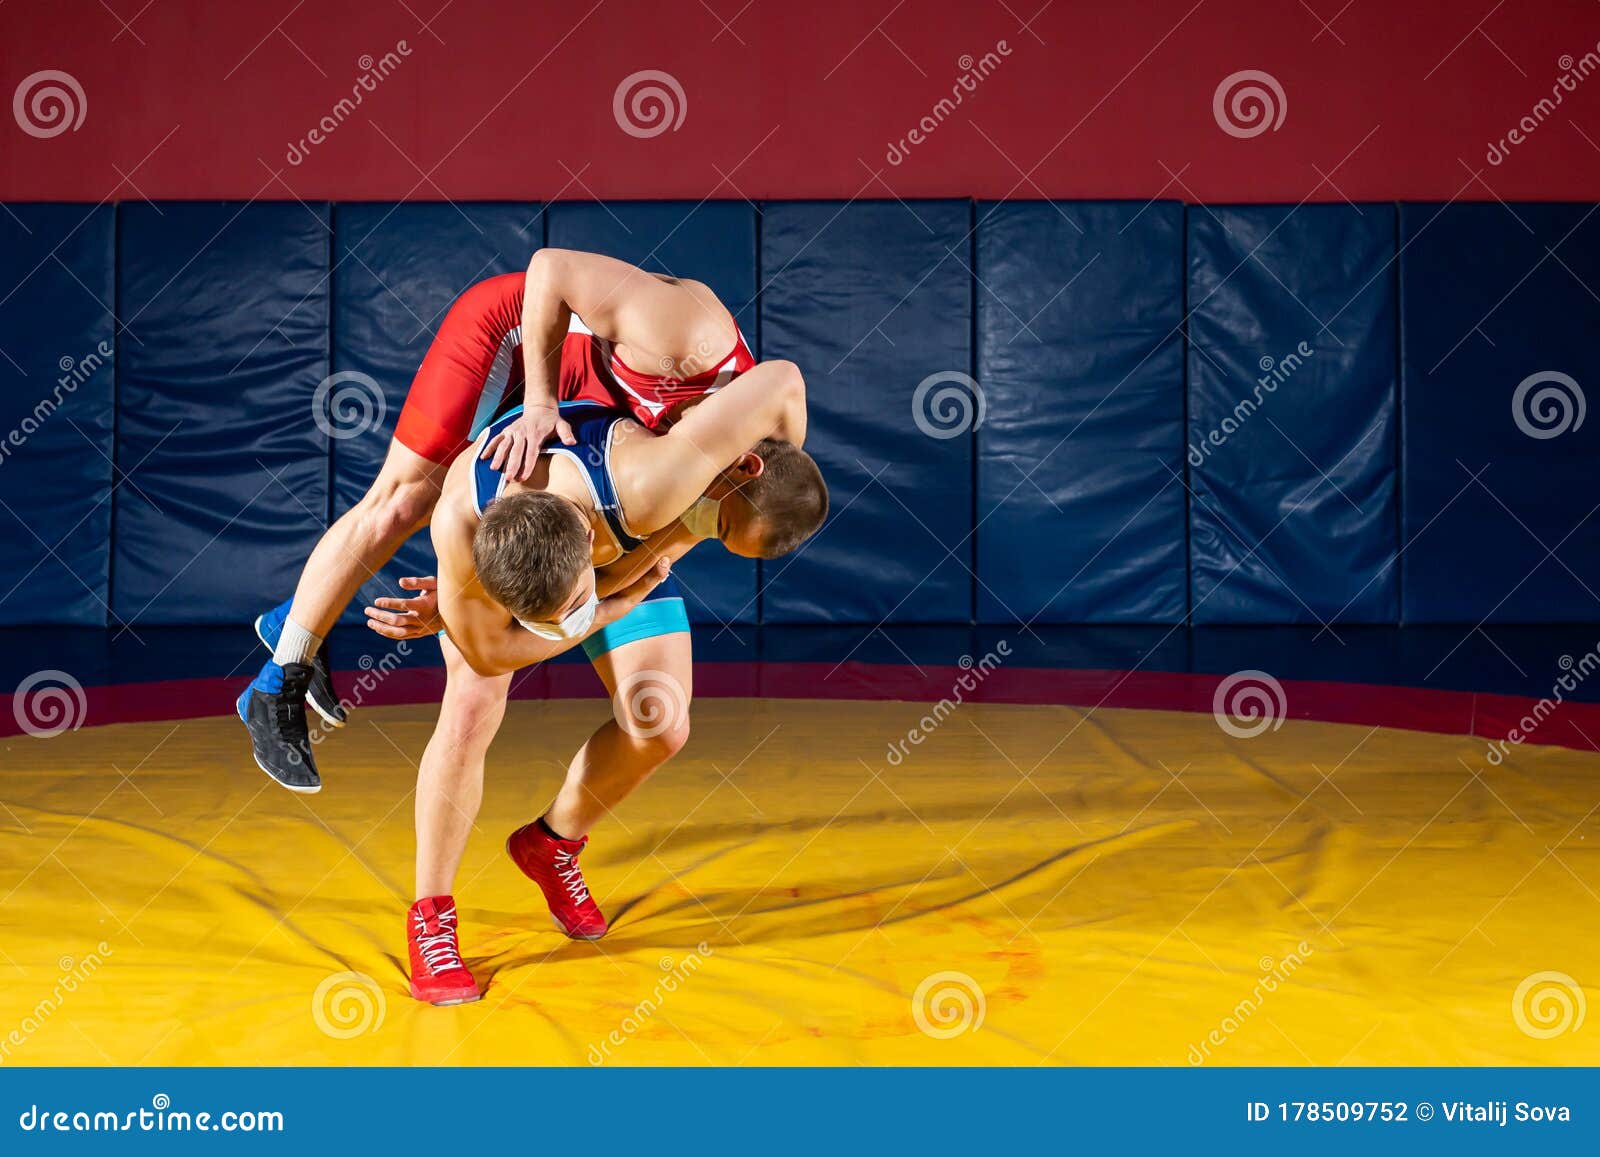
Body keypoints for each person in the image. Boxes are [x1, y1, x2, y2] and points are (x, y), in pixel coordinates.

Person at [239, 250, 805, 792]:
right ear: (742, 466)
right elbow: (550, 268)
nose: (701, 521)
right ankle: (277, 679)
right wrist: (539, 404)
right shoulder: (689, 336)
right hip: (522, 337)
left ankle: (296, 616)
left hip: (589, 401)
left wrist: (475, 592)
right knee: (408, 500)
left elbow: (628, 563)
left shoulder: (722, 484)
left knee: (527, 524)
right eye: (719, 523)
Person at [361, 363, 825, 1006]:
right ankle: (430, 916)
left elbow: (778, 392)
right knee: (468, 711)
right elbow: (494, 654)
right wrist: (574, 608)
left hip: (622, 553)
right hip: (559, 572)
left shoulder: (650, 485)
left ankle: (551, 845)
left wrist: (771, 467)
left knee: (661, 723)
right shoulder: (460, 532)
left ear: (585, 538)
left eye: (575, 597)